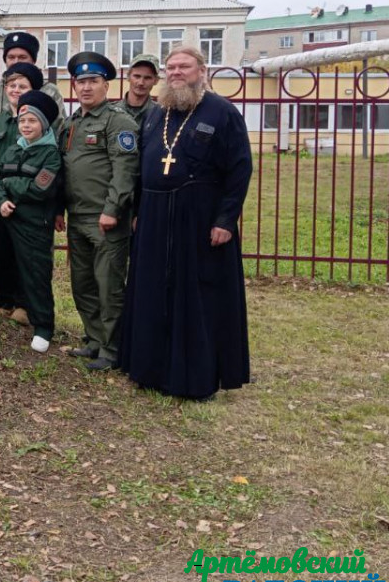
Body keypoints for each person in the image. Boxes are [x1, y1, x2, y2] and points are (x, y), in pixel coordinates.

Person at [120, 47, 253, 400]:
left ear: (201, 70)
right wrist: (137, 212)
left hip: (199, 217)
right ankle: (149, 369)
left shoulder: (223, 112)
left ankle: (195, 377)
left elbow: (239, 170)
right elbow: (140, 166)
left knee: (195, 295)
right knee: (151, 290)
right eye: (171, 67)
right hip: (153, 215)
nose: (176, 72)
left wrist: (226, 219)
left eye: (184, 66)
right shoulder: (156, 113)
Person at [0, 90, 63, 353]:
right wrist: (1, 200)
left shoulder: (51, 154)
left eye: (32, 121)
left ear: (44, 125)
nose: (26, 126)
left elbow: (41, 189)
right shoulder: (13, 149)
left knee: (35, 274)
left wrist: (8, 184)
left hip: (33, 223)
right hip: (7, 214)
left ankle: (43, 327)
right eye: (22, 121)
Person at [57, 52, 138, 372]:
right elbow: (65, 169)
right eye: (80, 82)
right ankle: (93, 338)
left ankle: (112, 347)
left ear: (106, 85)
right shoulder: (72, 123)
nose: (86, 88)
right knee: (83, 283)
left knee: (109, 285)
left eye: (93, 81)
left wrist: (112, 209)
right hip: (77, 216)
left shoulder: (118, 121)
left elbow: (125, 169)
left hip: (105, 219)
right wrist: (60, 209)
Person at [0, 61, 46, 322]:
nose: (16, 90)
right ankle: (2, 299)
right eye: (11, 85)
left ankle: (24, 303)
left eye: (23, 86)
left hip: (28, 200)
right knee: (1, 248)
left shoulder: (41, 125)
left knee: (26, 254)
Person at [0, 32, 65, 134]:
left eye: (22, 57)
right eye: (11, 57)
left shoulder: (49, 92)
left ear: (33, 60)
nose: (16, 62)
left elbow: (59, 130)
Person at [112, 54, 160, 128]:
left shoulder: (160, 114)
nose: (141, 83)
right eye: (137, 76)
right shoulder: (111, 112)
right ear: (128, 77)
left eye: (147, 78)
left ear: (156, 81)